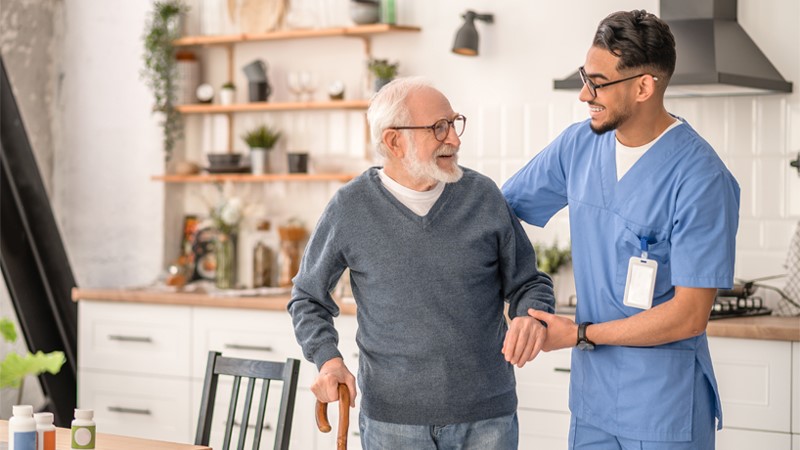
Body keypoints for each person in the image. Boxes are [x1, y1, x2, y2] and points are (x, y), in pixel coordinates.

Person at [502, 10, 740, 449]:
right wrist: (520, 294)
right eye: (584, 77)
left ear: (644, 87)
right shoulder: (579, 145)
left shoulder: (701, 177)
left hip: (664, 409)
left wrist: (578, 333)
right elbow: (499, 212)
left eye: (598, 82)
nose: (583, 94)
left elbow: (690, 315)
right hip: (593, 405)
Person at [288, 76, 555, 449]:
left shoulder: (483, 196)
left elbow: (529, 282)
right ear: (394, 140)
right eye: (439, 128)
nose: (455, 139)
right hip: (391, 423)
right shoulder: (350, 208)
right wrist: (328, 359)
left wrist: (530, 314)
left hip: (487, 419)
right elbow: (307, 297)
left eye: (454, 123)